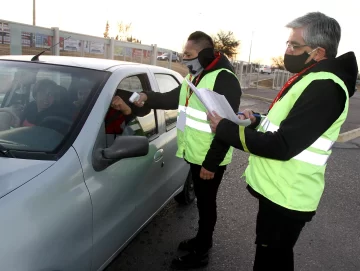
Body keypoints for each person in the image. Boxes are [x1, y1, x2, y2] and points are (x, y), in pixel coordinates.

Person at [207, 12, 358, 271]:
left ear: (318, 52)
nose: (287, 50)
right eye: (287, 43)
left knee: (271, 262)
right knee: (273, 257)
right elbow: (288, 123)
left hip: (288, 196)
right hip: (279, 191)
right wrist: (256, 119)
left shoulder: (325, 87)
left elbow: (283, 144)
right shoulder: (311, 78)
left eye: (294, 45)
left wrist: (225, 129)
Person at [124, 31, 242, 269]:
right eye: (182, 54)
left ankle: (202, 252)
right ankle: (200, 239)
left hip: (210, 159)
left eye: (188, 54)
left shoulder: (224, 79)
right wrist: (147, 97)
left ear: (206, 54)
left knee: (207, 205)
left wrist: (210, 163)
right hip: (195, 154)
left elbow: (227, 126)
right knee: (202, 203)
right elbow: (171, 98)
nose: (183, 59)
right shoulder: (196, 76)